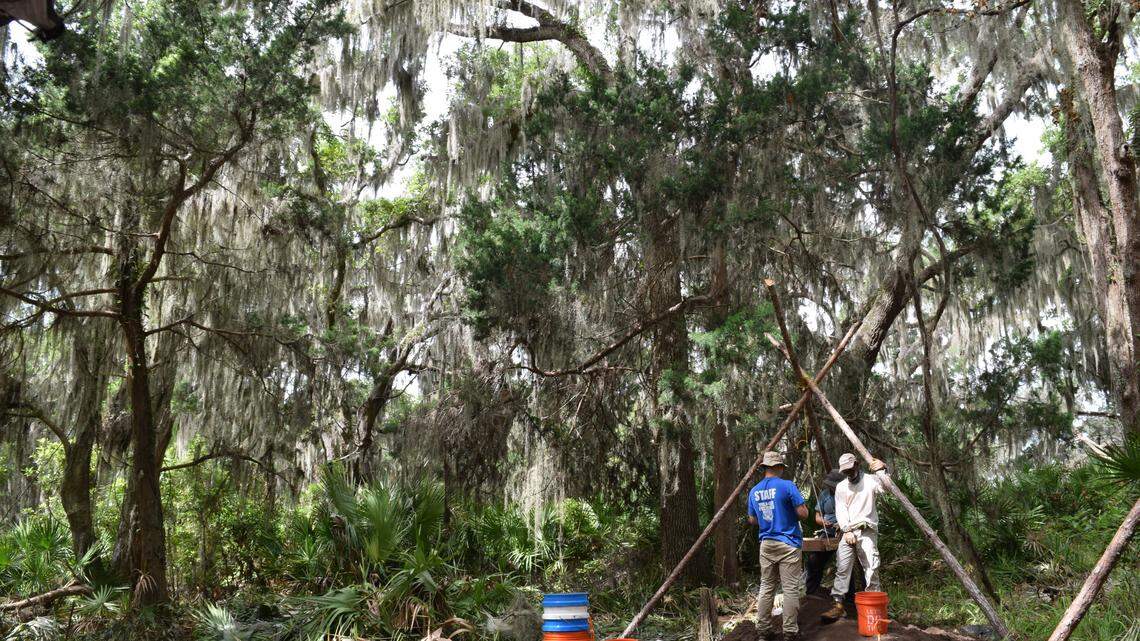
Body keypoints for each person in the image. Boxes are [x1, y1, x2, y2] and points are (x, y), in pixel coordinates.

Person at [748, 451, 809, 641]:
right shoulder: (787, 486)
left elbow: (752, 519)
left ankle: (763, 631)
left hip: (766, 543)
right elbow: (803, 513)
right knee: (790, 588)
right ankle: (790, 632)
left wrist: (770, 520)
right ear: (779, 467)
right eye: (782, 467)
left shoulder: (754, 491)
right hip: (788, 542)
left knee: (766, 587)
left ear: (765, 468)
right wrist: (785, 515)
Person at [822, 453, 886, 622]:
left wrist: (883, 469)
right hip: (848, 531)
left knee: (871, 568)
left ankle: (875, 607)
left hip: (866, 531)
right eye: (846, 471)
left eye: (850, 469)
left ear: (857, 465)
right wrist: (847, 531)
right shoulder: (842, 487)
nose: (849, 474)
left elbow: (887, 487)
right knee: (842, 568)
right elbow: (841, 511)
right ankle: (838, 606)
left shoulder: (872, 480)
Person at [804, 469, 863, 600]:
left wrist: (844, 526)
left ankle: (848, 597)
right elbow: (817, 516)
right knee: (814, 560)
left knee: (845, 564)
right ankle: (812, 592)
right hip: (828, 533)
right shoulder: (824, 495)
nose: (831, 488)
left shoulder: (850, 494)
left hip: (847, 533)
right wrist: (824, 522)